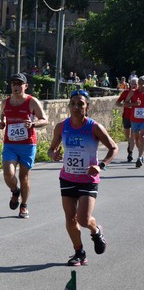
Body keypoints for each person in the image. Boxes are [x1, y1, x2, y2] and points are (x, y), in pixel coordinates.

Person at [47, 89, 118, 266]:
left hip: (88, 179)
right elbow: (51, 149)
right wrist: (52, 155)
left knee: (83, 219)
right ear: (69, 106)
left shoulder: (94, 127)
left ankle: (96, 231)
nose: (76, 107)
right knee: (70, 218)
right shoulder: (61, 127)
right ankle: (79, 252)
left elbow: (113, 148)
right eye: (73, 104)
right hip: (67, 178)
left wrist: (100, 166)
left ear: (87, 107)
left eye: (81, 104)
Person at [0, 73, 48, 218]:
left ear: (25, 86)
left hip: (27, 144)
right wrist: (2, 123)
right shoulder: (5, 102)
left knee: (23, 176)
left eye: (19, 84)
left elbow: (45, 120)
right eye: (13, 84)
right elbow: (3, 117)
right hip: (10, 144)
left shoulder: (32, 102)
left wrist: (33, 124)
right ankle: (15, 191)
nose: (16, 86)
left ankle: (24, 206)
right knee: (8, 173)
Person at [115, 77, 138, 162]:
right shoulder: (126, 93)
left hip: (135, 118)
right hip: (126, 117)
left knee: (133, 136)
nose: (134, 85)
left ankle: (130, 153)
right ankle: (130, 144)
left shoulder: (139, 93)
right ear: (130, 84)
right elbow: (117, 103)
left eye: (135, 83)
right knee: (127, 136)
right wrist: (123, 106)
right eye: (132, 83)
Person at [124, 76, 144, 167]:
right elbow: (125, 103)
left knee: (142, 136)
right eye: (140, 83)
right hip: (134, 119)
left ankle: (139, 157)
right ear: (138, 84)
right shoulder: (132, 92)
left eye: (143, 83)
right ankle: (142, 154)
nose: (142, 85)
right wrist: (135, 104)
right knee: (136, 139)